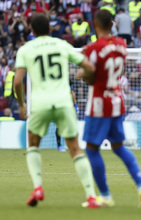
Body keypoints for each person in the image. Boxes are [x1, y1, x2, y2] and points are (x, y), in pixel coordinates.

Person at [14, 13, 100, 208]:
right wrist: (84, 77)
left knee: (33, 145)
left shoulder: (26, 49)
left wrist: (21, 105)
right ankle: (91, 196)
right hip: (63, 102)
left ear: (32, 31)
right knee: (75, 149)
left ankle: (37, 187)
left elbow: (17, 81)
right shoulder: (62, 45)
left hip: (40, 104)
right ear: (50, 29)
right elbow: (88, 66)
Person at [76, 9, 141, 208]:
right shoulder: (122, 45)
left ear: (95, 24)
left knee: (92, 150)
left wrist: (81, 73)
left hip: (99, 104)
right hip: (117, 102)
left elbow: (89, 76)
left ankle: (105, 196)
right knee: (118, 147)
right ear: (113, 24)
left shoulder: (92, 48)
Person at [56, 79, 79, 152]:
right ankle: (59, 145)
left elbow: (72, 93)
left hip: (67, 106)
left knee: (68, 125)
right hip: (58, 105)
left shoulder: (68, 81)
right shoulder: (56, 82)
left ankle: (68, 145)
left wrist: (75, 105)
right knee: (59, 126)